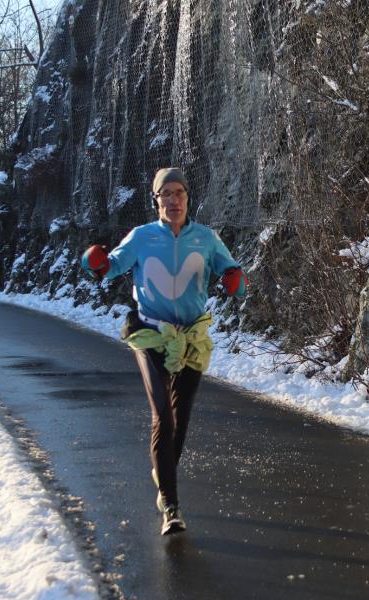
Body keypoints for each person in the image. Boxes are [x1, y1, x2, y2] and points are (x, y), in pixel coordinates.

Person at [80, 167, 247, 535]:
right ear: (155, 199)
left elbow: (233, 273)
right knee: (164, 418)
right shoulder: (141, 237)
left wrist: (236, 282)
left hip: (191, 339)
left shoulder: (205, 239)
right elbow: (111, 268)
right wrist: (97, 264)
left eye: (179, 193)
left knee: (181, 420)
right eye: (165, 194)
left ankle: (164, 471)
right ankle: (170, 506)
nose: (173, 200)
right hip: (151, 336)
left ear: (188, 197)